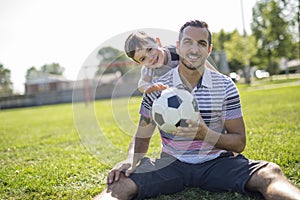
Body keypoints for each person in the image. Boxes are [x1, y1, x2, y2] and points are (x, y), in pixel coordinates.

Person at [95, 20, 300, 200]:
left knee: (270, 174)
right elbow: (142, 136)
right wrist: (131, 159)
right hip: (171, 164)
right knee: (120, 183)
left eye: (201, 43)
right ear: (178, 46)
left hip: (217, 163)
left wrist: (205, 134)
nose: (194, 49)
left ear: (209, 50)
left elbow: (239, 142)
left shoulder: (224, 86)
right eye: (187, 42)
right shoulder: (156, 88)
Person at [124, 30, 218, 93]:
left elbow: (203, 64)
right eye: (143, 59)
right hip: (174, 93)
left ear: (158, 42)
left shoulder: (176, 51)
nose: (150, 58)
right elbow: (142, 83)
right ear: (140, 64)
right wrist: (150, 87)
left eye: (149, 49)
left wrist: (217, 77)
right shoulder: (148, 69)